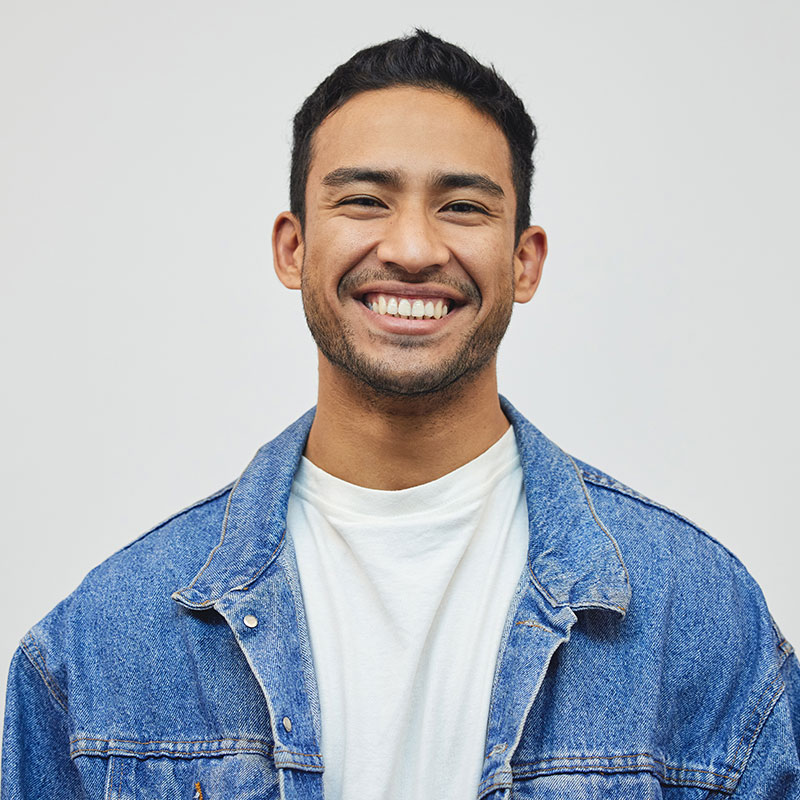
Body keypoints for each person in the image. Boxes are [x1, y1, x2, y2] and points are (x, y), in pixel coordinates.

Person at [2, 29, 798, 800]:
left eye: (461, 207)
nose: (413, 248)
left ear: (525, 262)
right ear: (293, 248)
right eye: (364, 199)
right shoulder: (102, 641)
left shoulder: (699, 616)